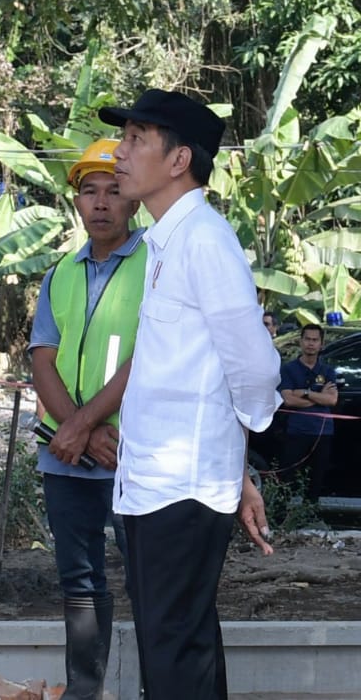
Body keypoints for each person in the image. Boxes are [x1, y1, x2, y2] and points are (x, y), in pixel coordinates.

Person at [100, 89, 282, 700]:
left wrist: (227, 463)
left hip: (180, 489)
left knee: (175, 649)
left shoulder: (204, 240)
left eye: (134, 140)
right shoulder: (166, 242)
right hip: (161, 484)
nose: (118, 155)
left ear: (179, 160)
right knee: (178, 645)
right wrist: (236, 472)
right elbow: (196, 375)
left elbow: (254, 365)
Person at [28, 137, 146, 700]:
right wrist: (78, 430)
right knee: (78, 579)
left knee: (151, 582)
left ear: (133, 201)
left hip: (133, 454)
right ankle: (84, 690)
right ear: (77, 202)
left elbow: (147, 354)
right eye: (89, 191)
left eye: (114, 191)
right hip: (70, 455)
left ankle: (162, 686)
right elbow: (42, 358)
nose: (100, 203)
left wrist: (85, 428)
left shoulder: (157, 262)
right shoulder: (61, 273)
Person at [279, 323, 338, 501]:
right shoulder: (288, 369)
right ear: (301, 341)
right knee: (287, 477)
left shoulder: (327, 371)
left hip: (322, 431)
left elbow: (332, 400)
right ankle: (282, 519)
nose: (310, 344)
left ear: (321, 344)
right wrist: (319, 397)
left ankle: (309, 516)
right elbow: (288, 399)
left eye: (315, 340)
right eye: (307, 339)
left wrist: (305, 393)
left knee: (316, 478)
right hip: (297, 431)